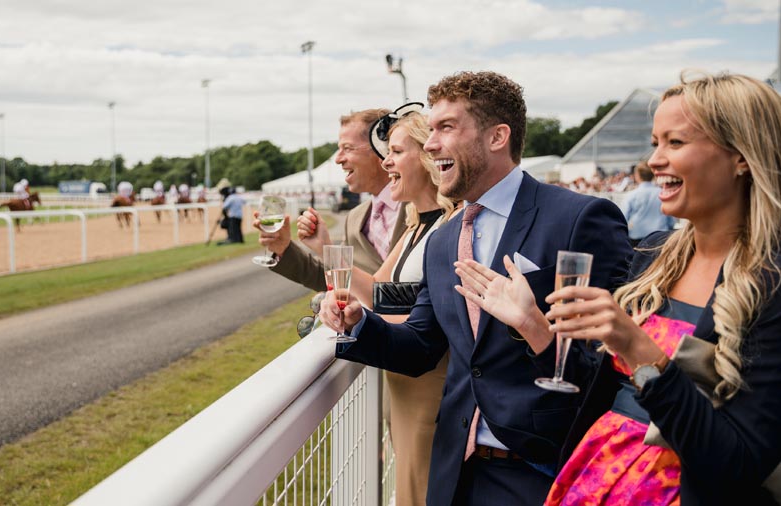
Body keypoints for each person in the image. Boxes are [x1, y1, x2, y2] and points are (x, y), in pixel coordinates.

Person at [459, 72, 781, 505]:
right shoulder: (653, 257)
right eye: (655, 143)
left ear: (741, 156)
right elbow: (594, 392)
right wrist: (533, 324)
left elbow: (736, 463)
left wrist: (639, 348)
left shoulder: (770, 284)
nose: (656, 160)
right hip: (596, 477)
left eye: (676, 143)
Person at [319, 71, 632, 506]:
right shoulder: (444, 240)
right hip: (455, 472)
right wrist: (358, 324)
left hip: (542, 472)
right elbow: (420, 346)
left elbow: (615, 365)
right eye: (431, 131)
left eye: (446, 128)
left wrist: (534, 327)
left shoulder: (580, 218)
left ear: (497, 137)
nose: (430, 144)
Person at [342, 105, 457, 506]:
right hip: (403, 387)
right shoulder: (414, 224)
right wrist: (332, 274)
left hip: (431, 385)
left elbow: (429, 308)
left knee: (420, 493)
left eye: (395, 152)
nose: (385, 161)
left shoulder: (451, 224)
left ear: (427, 157)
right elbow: (377, 291)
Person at [258, 109, 407, 292]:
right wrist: (284, 249)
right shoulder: (355, 218)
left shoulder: (425, 208)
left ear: (381, 149)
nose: (338, 159)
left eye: (347, 148)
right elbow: (339, 281)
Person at [622, 160, 677, 246]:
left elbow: (624, 218)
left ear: (637, 176)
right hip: (660, 237)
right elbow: (671, 219)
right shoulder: (663, 193)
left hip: (637, 237)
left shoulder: (631, 195)